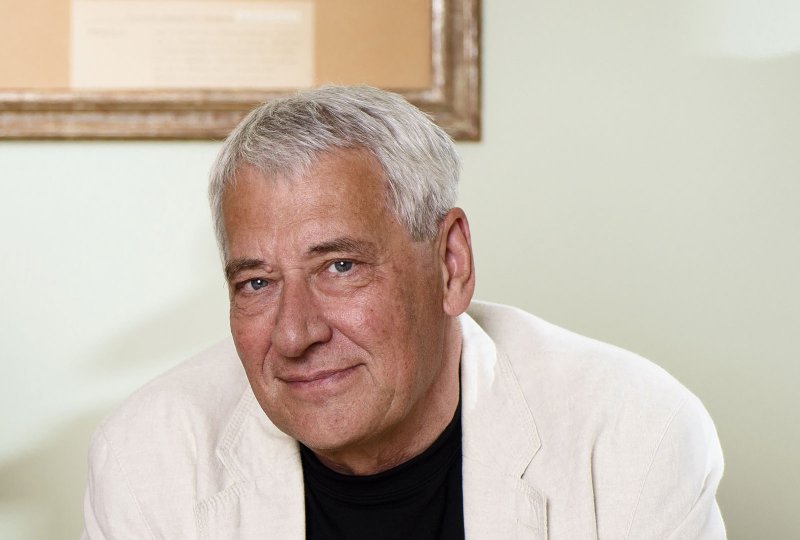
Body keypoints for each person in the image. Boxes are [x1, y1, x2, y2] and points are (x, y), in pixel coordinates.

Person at [82, 85, 725, 539]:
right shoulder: (148, 459)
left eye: (340, 267)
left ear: (450, 264)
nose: (295, 333)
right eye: (256, 282)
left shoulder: (634, 435)